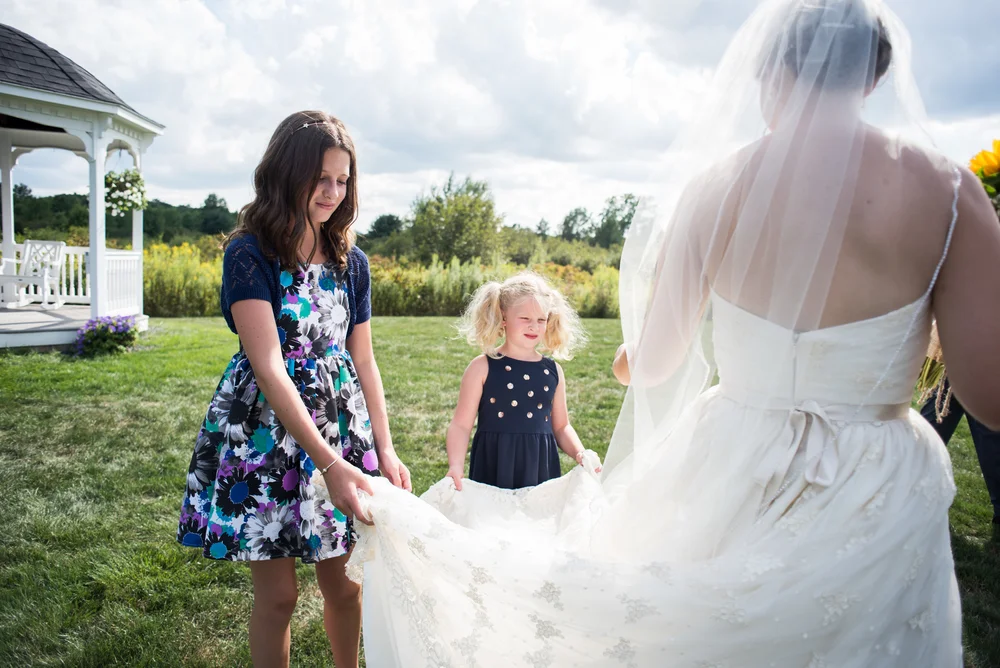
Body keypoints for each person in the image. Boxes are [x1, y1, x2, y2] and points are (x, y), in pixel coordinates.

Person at [347, 2, 1000, 666]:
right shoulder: (948, 193)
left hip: (739, 463)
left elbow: (653, 363)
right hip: (876, 481)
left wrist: (629, 359)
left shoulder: (717, 188)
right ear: (874, 74)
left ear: (770, 67)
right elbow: (989, 393)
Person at [175, 110, 410, 668]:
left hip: (341, 428)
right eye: (321, 179)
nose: (333, 192)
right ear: (288, 174)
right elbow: (269, 366)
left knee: (347, 585)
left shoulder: (353, 262)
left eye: (343, 180)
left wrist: (384, 445)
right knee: (279, 597)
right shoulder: (250, 253)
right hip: (266, 435)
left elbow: (364, 359)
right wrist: (329, 464)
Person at [445, 272, 599, 491]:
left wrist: (580, 452)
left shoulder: (553, 371)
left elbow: (562, 426)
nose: (533, 326)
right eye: (525, 319)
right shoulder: (482, 367)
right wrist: (456, 465)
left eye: (541, 320)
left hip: (540, 468)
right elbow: (461, 425)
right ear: (503, 317)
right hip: (495, 466)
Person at [920, 378, 1000, 524]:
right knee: (927, 433)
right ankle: (907, 490)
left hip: (981, 375)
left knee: (990, 442)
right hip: (952, 374)